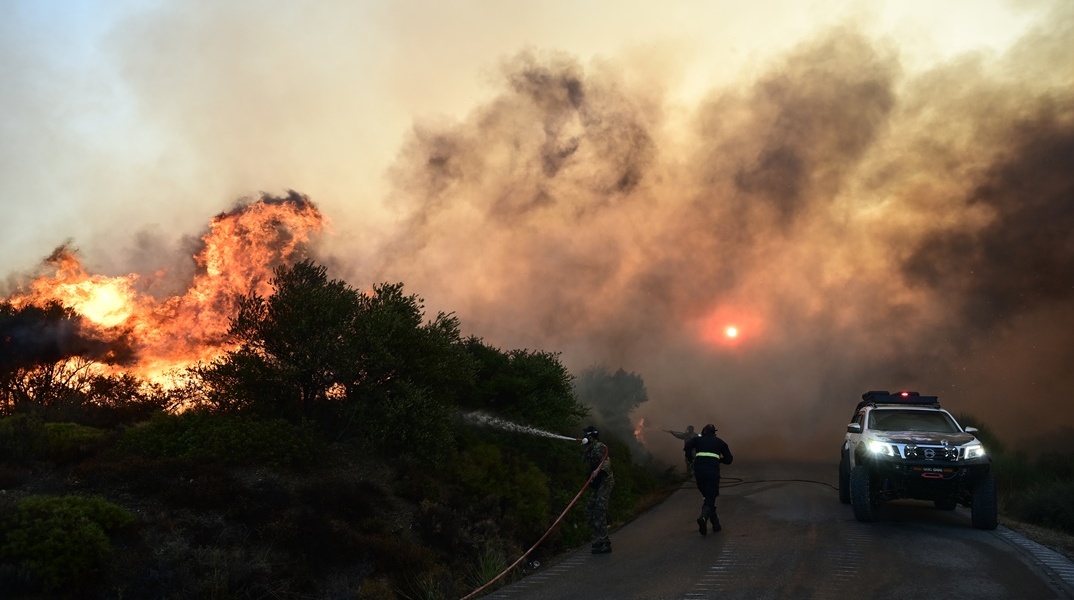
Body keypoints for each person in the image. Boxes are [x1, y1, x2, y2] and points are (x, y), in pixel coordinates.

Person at [683, 423, 733, 535]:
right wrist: (719, 460)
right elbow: (729, 460)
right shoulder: (720, 442)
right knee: (710, 497)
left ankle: (715, 524)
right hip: (712, 473)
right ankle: (704, 517)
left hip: (699, 472)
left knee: (708, 497)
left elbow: (687, 447)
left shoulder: (697, 440)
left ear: (703, 431)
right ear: (714, 433)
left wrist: (690, 458)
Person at [581, 425, 614, 554]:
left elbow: (605, 461)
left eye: (586, 435)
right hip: (597, 484)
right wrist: (585, 447)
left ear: (590, 436)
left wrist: (598, 470)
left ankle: (604, 542)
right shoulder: (590, 448)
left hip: (604, 483)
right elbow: (584, 459)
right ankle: (598, 538)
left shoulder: (600, 446)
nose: (584, 437)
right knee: (589, 510)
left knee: (599, 511)